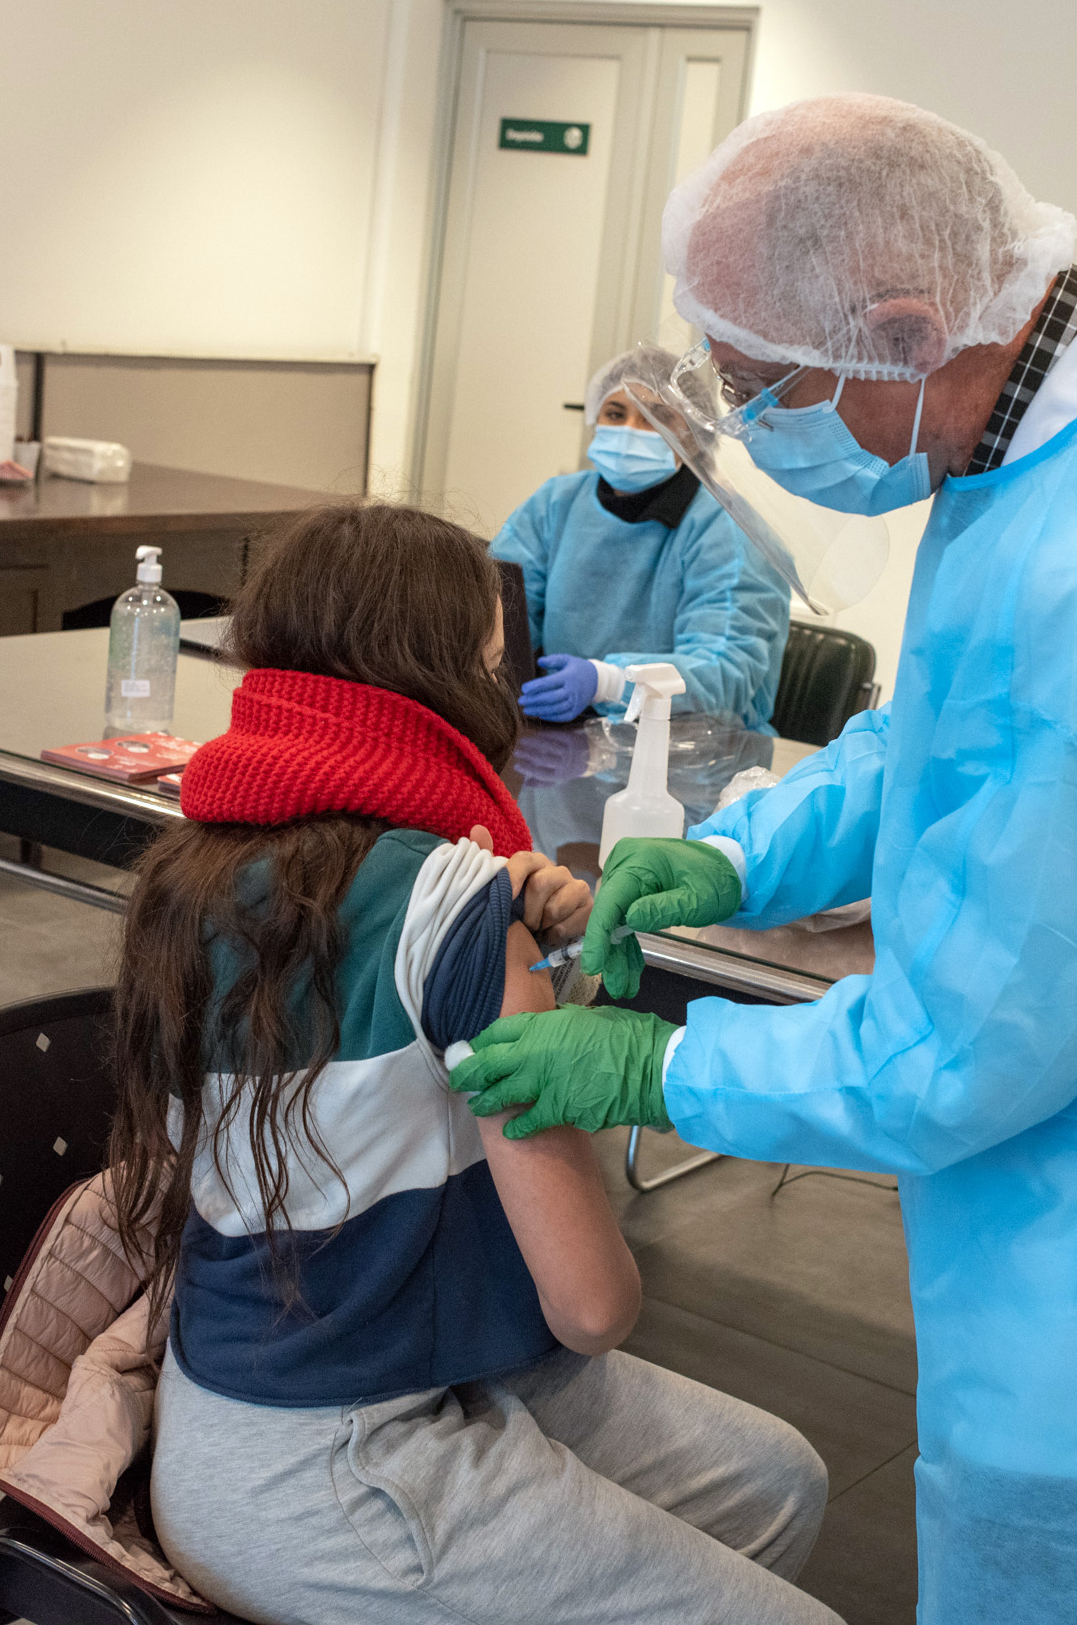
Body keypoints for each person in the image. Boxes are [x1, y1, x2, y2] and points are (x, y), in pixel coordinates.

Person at [451, 94, 1077, 1622]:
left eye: (762, 388)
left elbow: (964, 1051)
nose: (752, 430)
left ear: (910, 330)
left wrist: (667, 1065)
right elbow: (956, 723)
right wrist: (744, 855)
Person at [109, 501, 841, 1625]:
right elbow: (593, 1306)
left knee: (776, 1479)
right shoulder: (457, 900)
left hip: (237, 1402)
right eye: (497, 663)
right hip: (338, 1458)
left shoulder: (182, 871)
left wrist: (530, 963)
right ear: (446, 683)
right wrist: (541, 998)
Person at [494, 345, 790, 733]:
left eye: (657, 417)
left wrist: (609, 682)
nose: (631, 430)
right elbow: (498, 612)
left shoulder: (730, 529)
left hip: (695, 745)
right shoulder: (557, 503)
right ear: (595, 419)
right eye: (616, 414)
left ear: (693, 433)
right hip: (564, 732)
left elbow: (726, 671)